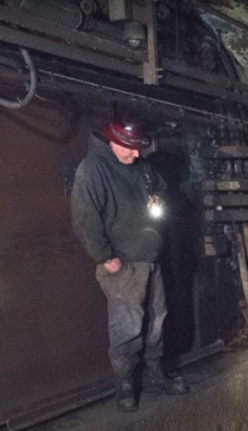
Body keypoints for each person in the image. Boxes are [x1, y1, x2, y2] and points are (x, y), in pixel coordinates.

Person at [71, 118, 189, 412]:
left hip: (150, 259)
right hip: (123, 264)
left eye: (138, 149)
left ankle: (154, 374)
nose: (136, 154)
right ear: (113, 141)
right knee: (128, 326)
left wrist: (155, 196)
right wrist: (105, 258)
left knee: (156, 319)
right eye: (131, 148)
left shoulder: (140, 166)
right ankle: (126, 385)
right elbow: (84, 217)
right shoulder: (93, 168)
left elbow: (157, 188)